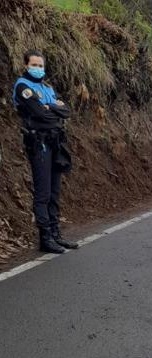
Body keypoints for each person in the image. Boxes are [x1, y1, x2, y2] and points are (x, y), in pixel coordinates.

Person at [12, 50, 77, 253]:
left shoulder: (46, 87)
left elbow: (66, 111)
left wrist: (50, 108)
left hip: (55, 143)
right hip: (38, 144)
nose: (38, 68)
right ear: (26, 65)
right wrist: (51, 110)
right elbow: (39, 114)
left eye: (41, 65)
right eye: (34, 65)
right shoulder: (23, 86)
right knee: (43, 192)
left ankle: (56, 234)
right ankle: (45, 238)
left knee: (55, 192)